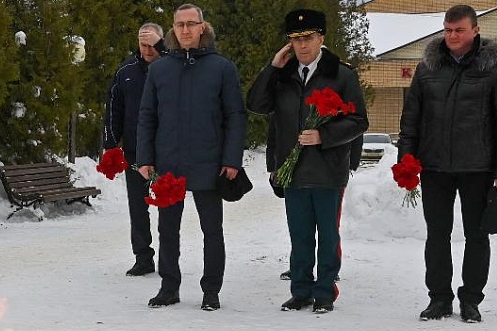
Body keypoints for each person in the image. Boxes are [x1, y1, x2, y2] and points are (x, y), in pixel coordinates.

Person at [397, 4, 497, 323]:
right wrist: (406, 163)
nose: (452, 36)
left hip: (478, 168)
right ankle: (439, 298)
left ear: (475, 31)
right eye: (448, 30)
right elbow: (411, 119)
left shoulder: (496, 67)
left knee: (477, 236)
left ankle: (471, 300)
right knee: (436, 234)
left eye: (459, 30)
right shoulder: (427, 67)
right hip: (434, 166)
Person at [247, 8, 368, 314]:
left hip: (328, 170)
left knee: (327, 236)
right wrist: (273, 68)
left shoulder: (341, 74)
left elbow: (358, 121)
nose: (302, 45)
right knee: (299, 236)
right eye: (296, 39)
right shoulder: (283, 75)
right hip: (294, 172)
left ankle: (325, 291)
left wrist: (324, 136)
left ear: (321, 38)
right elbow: (257, 105)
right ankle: (300, 291)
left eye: (308, 38)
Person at [136, 3, 247, 311]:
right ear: (173, 29)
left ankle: (211, 290)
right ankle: (168, 287)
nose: (185, 30)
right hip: (168, 164)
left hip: (209, 163)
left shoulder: (222, 68)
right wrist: (145, 157)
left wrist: (231, 159)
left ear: (202, 27)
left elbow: (234, 116)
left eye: (191, 24)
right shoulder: (159, 69)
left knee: (212, 230)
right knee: (167, 230)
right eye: (179, 24)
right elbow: (147, 116)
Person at [103, 23, 167, 277]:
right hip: (134, 150)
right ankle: (143, 256)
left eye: (153, 44)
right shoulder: (126, 71)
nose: (149, 50)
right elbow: (112, 109)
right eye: (144, 45)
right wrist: (110, 145)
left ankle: (168, 256)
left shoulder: (171, 68)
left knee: (167, 205)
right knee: (137, 206)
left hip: (165, 149)